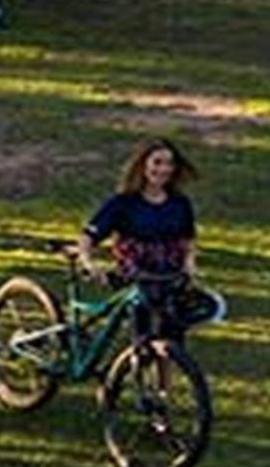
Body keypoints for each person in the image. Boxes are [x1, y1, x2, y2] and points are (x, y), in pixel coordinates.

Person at [76, 137, 199, 344]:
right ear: (143, 166)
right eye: (157, 162)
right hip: (136, 276)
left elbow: (187, 238)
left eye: (169, 163)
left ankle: (165, 372)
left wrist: (190, 263)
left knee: (172, 334)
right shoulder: (123, 203)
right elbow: (89, 236)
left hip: (170, 276)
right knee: (141, 330)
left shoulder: (180, 203)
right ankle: (136, 361)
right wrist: (88, 261)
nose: (163, 169)